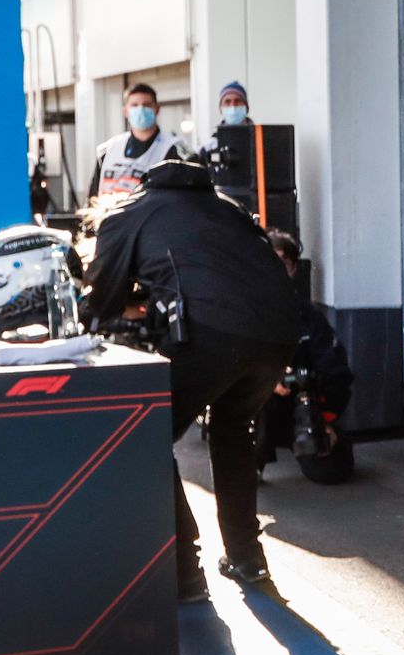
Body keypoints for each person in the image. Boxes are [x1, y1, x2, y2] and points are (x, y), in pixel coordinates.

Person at [86, 159, 300, 599]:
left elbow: (99, 301)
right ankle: (247, 558)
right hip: (279, 333)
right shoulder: (227, 207)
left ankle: (184, 573)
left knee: (146, 435)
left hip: (212, 333)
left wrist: (115, 305)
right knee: (232, 430)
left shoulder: (128, 213)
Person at [256, 228, 356, 485]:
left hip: (299, 407)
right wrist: (268, 377)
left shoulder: (309, 317)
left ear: (292, 270)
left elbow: (337, 373)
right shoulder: (244, 312)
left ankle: (321, 439)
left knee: (332, 472)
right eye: (270, 263)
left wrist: (325, 420)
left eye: (283, 264)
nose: (277, 272)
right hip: (255, 403)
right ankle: (249, 460)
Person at [90, 82, 193, 200]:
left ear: (157, 109)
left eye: (146, 105)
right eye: (134, 105)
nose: (141, 109)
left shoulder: (175, 150)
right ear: (125, 111)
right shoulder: (108, 150)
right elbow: (92, 199)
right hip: (107, 212)